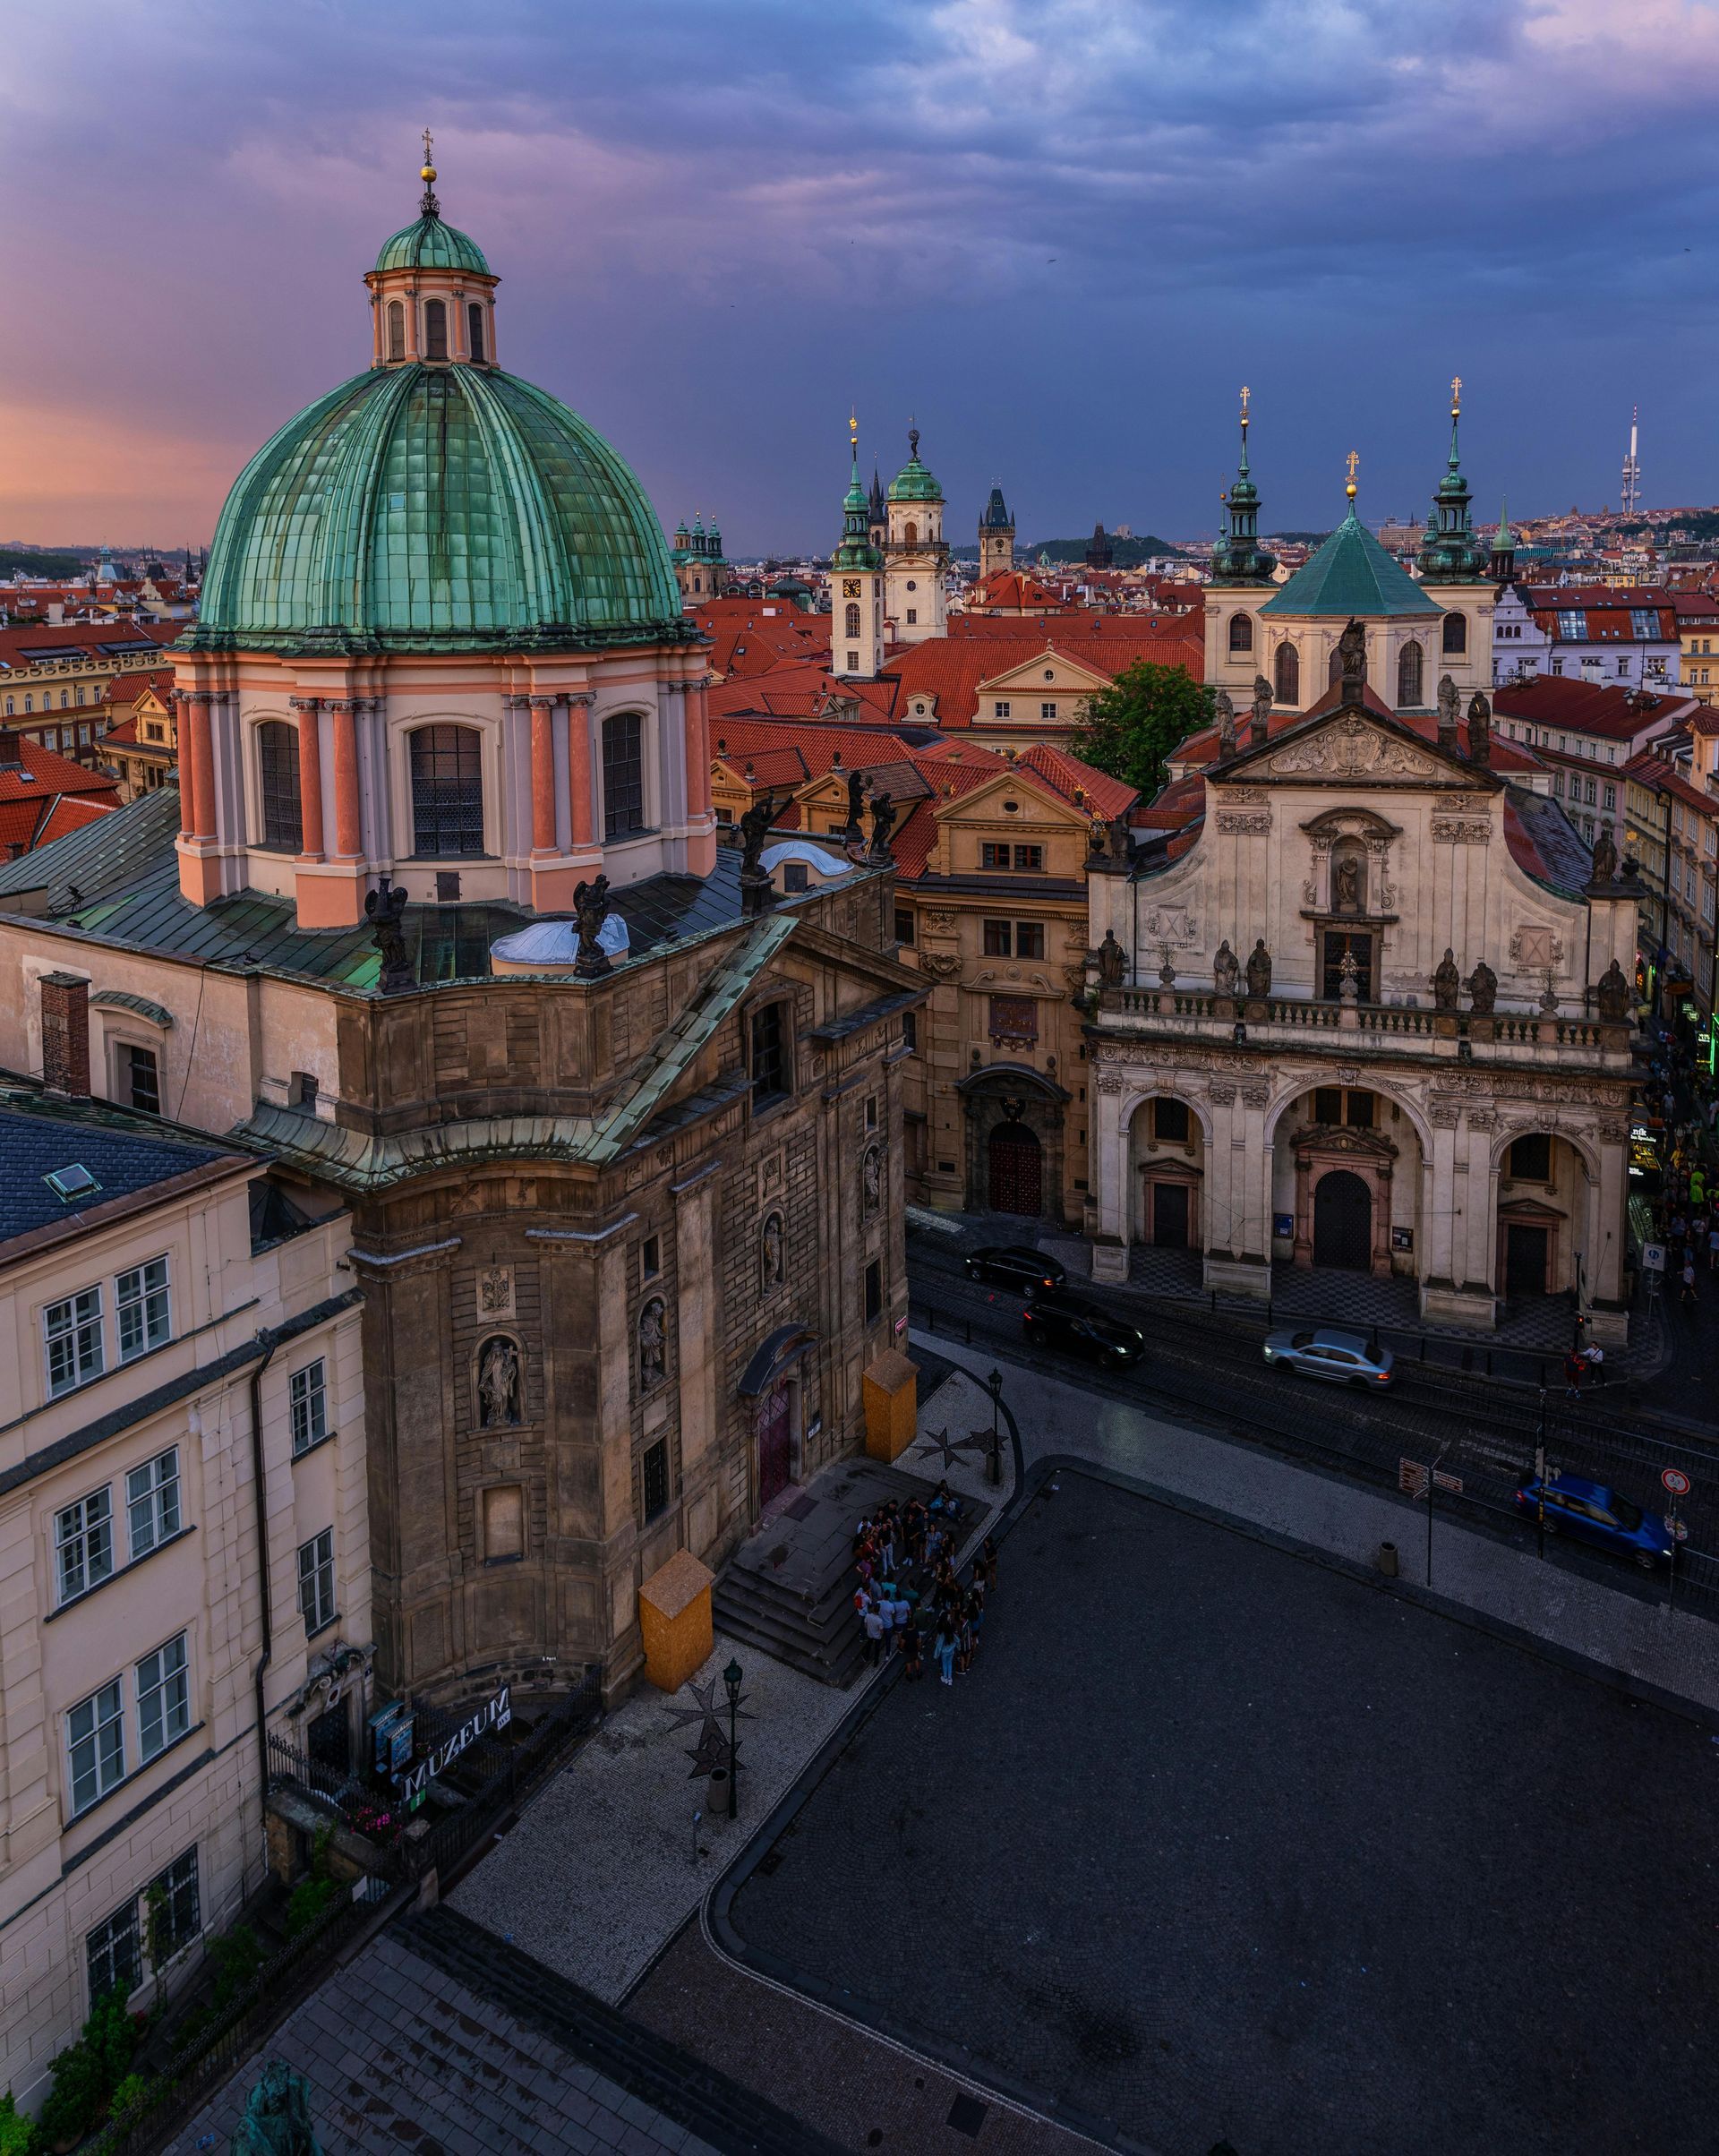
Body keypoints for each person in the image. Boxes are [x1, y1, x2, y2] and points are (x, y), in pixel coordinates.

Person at [863, 1601, 886, 1667]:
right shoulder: (880, 1621)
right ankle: (876, 1661)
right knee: (877, 1649)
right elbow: (881, 1631)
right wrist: (881, 1636)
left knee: (869, 1645)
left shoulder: (867, 1616)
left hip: (870, 1634)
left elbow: (865, 1626)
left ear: (873, 1609)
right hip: (877, 1636)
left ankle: (866, 1657)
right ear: (879, 1611)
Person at [935, 1622, 957, 1687]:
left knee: (944, 1664)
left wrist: (936, 1654)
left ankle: (945, 1677)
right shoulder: (952, 1634)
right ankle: (950, 1678)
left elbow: (939, 1646)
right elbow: (957, 1640)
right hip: (951, 1652)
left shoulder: (942, 1635)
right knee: (949, 1663)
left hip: (944, 1653)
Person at [902, 1615, 923, 1681]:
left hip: (907, 1649)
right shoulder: (915, 1632)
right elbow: (918, 1642)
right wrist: (919, 1648)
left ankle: (909, 1675)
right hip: (914, 1649)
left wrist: (902, 1648)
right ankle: (918, 1673)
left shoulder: (904, 1632)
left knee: (908, 1663)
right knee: (916, 1659)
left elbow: (902, 1642)